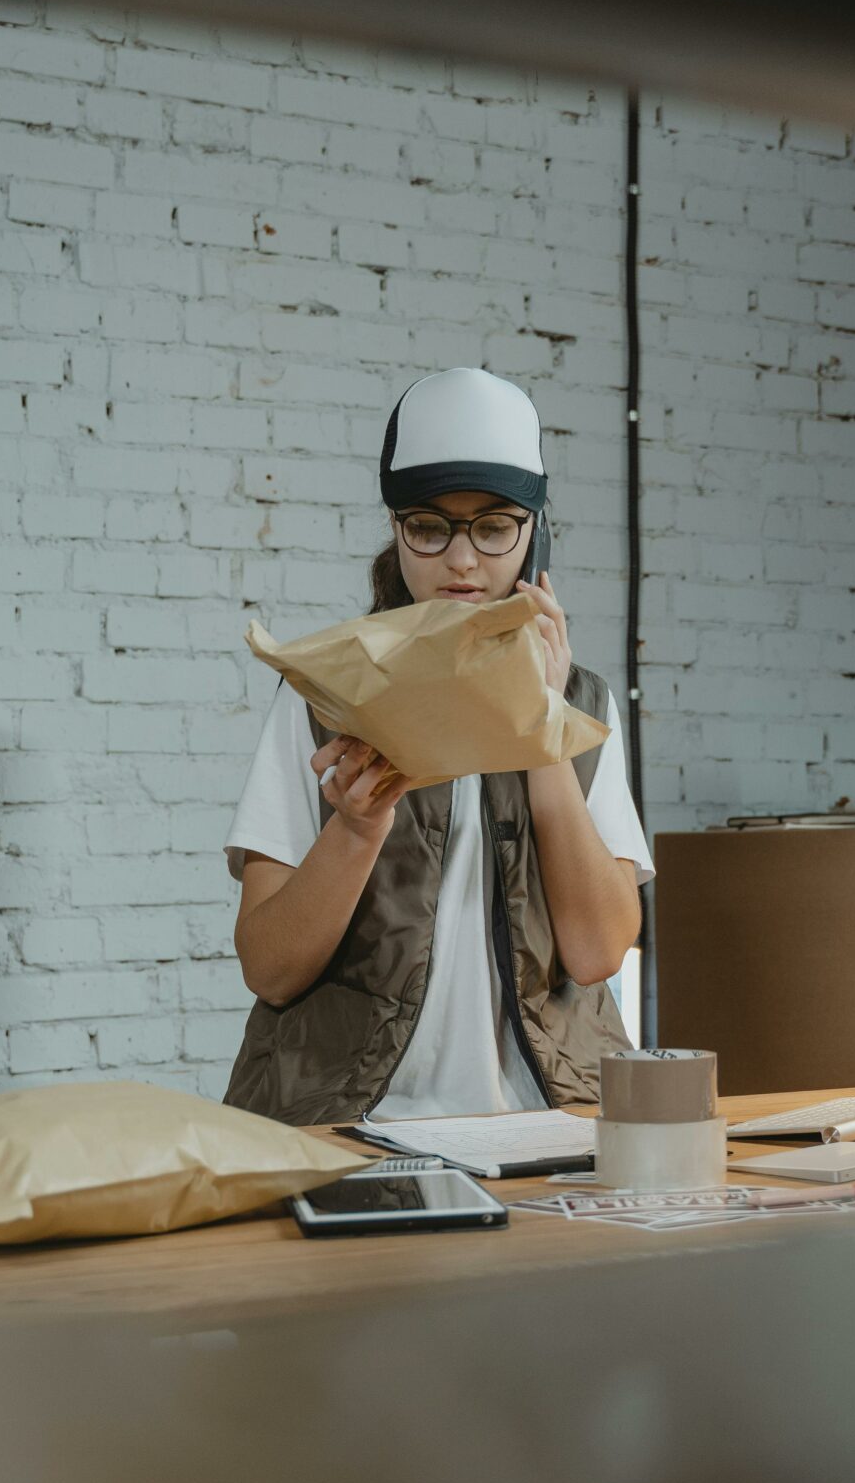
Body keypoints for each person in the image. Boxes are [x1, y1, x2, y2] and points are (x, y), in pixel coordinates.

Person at [222, 367, 651, 1124]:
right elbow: (270, 967)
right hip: (350, 1126)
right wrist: (354, 830)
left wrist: (541, 729)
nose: (461, 560)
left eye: (492, 528)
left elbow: (599, 952)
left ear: (534, 531)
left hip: (544, 1122)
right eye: (430, 526)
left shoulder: (583, 703)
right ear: (396, 529)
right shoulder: (321, 696)